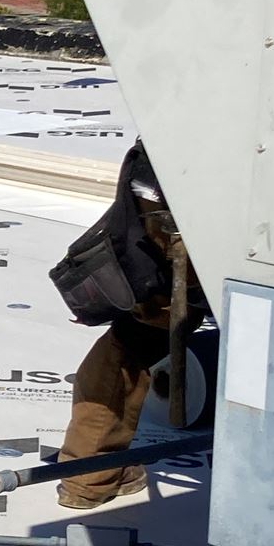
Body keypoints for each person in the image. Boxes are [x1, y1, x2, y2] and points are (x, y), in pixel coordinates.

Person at [48, 142, 210, 508]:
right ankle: (89, 476)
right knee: (140, 335)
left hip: (178, 191)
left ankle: (90, 474)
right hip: (177, 203)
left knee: (142, 334)